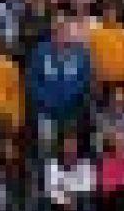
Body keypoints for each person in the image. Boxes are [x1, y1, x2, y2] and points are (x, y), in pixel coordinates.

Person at [27, 15, 91, 159]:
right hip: (45, 110)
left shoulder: (80, 52)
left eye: (64, 30)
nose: (60, 34)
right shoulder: (40, 51)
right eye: (57, 30)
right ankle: (46, 176)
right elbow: (33, 79)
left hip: (71, 109)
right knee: (46, 147)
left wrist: (71, 97)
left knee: (69, 147)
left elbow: (84, 79)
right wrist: (45, 99)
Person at [42, 132, 95, 211]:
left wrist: (68, 192)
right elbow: (51, 188)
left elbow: (85, 186)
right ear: (62, 147)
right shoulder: (52, 164)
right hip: (59, 202)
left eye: (73, 144)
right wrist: (65, 195)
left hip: (77, 200)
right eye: (67, 144)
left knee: (84, 198)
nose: (70, 148)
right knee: (50, 200)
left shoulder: (84, 164)